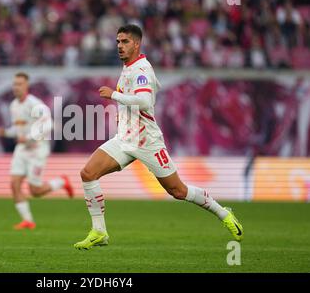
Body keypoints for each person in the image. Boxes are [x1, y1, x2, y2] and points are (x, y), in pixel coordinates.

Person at [74, 24, 244, 250]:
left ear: (136, 44)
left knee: (178, 191)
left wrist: (114, 95)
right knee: (88, 173)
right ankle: (99, 232)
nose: (119, 46)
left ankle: (224, 213)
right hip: (124, 139)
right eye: (117, 42)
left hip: (148, 142)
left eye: (124, 42)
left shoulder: (142, 69)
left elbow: (145, 101)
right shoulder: (129, 68)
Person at [0, 72, 74, 230]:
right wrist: (6, 132)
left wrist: (29, 137)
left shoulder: (35, 104)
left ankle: (62, 181)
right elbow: (18, 130)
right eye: (14, 84)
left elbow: (49, 125)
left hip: (38, 149)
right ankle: (28, 221)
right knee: (14, 184)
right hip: (22, 150)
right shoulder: (14, 106)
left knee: (35, 191)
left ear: (26, 86)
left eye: (19, 84)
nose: (16, 87)